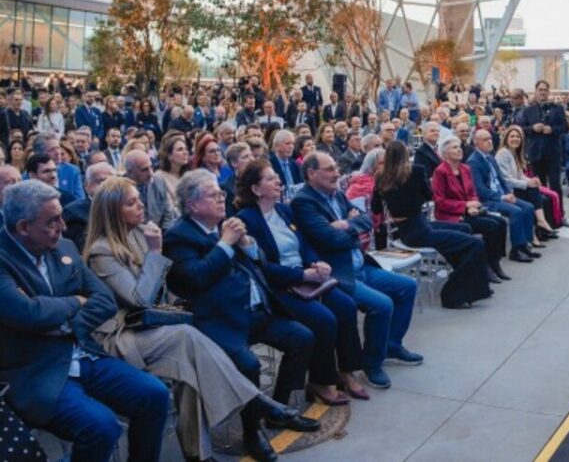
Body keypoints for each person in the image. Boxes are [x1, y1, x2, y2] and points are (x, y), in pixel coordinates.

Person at [85, 176, 312, 461]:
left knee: (189, 372)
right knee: (189, 337)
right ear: (112, 212)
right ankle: (258, 402)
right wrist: (156, 252)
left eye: (139, 199)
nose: (141, 205)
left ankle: (199, 454)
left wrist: (242, 242)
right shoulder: (103, 250)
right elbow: (141, 298)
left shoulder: (140, 234)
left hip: (164, 326)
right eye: (131, 203)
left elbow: (161, 293)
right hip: (123, 335)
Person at [0, 180, 171, 462]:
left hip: (83, 352)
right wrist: (75, 301)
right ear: (22, 227)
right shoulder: (4, 259)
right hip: (36, 370)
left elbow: (103, 300)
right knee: (102, 426)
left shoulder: (64, 248)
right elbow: (25, 312)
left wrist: (66, 324)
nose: (63, 227)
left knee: (155, 394)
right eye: (52, 221)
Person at [163, 170, 319, 459]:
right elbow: (196, 277)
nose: (222, 198)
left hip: (255, 311)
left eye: (221, 194)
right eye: (214, 195)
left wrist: (246, 243)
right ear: (193, 204)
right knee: (248, 364)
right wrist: (225, 243)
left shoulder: (225, 224)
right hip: (220, 319)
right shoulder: (178, 237)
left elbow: (258, 261)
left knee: (303, 338)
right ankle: (252, 432)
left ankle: (278, 409)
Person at [235, 160, 368, 404]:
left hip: (306, 276)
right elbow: (262, 268)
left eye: (277, 177)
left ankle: (346, 372)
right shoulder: (248, 219)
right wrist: (302, 275)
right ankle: (320, 380)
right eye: (270, 179)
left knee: (346, 306)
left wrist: (315, 263)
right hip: (279, 287)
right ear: (256, 189)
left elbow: (304, 244)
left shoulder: (284, 211)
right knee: (324, 319)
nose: (278, 182)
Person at [292, 152, 423, 387]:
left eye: (336, 168)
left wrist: (345, 225)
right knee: (382, 304)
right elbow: (327, 239)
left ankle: (391, 346)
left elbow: (367, 222)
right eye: (330, 169)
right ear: (312, 173)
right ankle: (372, 364)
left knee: (408, 286)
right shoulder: (304, 202)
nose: (337, 173)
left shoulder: (337, 194)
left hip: (361, 265)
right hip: (341, 274)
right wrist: (353, 229)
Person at [372, 141, 491, 309]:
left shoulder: (380, 178)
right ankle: (453, 294)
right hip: (420, 230)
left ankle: (467, 284)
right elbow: (429, 196)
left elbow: (375, 207)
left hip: (406, 230)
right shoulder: (416, 171)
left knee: (464, 228)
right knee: (475, 244)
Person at [435, 137, 513, 282]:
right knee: (490, 226)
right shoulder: (441, 172)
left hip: (471, 211)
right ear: (445, 154)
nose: (459, 150)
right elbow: (440, 202)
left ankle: (494, 262)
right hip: (452, 216)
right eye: (454, 148)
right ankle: (485, 267)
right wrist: (465, 206)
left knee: (500, 223)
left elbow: (473, 192)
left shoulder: (465, 169)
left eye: (459, 147)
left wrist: (474, 203)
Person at [468, 127, 542, 270]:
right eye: (485, 140)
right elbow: (480, 190)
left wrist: (510, 193)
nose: (490, 142)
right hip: (489, 200)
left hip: (502, 195)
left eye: (490, 138)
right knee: (516, 211)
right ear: (476, 143)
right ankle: (516, 250)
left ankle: (525, 244)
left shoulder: (490, 157)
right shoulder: (474, 162)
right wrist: (503, 197)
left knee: (529, 207)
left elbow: (502, 179)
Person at [496, 124, 559, 245]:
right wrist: (527, 183)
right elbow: (506, 179)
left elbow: (520, 176)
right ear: (506, 138)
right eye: (512, 136)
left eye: (518, 137)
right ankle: (538, 227)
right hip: (508, 190)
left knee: (539, 193)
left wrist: (530, 180)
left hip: (516, 186)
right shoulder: (503, 153)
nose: (515, 139)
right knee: (532, 195)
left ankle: (539, 227)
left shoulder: (515, 153)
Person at [514, 80, 569, 209]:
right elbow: (520, 129)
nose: (543, 92)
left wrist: (552, 130)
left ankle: (559, 215)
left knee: (555, 185)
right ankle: (543, 215)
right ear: (536, 92)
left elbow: (565, 127)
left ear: (548, 92)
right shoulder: (528, 111)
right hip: (535, 154)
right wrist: (532, 128)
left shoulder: (558, 108)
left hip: (553, 153)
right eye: (540, 89)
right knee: (540, 186)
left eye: (545, 90)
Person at [62, 161, 115, 253]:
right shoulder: (74, 214)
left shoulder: (122, 208)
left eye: (111, 182)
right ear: (87, 185)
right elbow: (83, 250)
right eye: (101, 182)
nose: (107, 187)